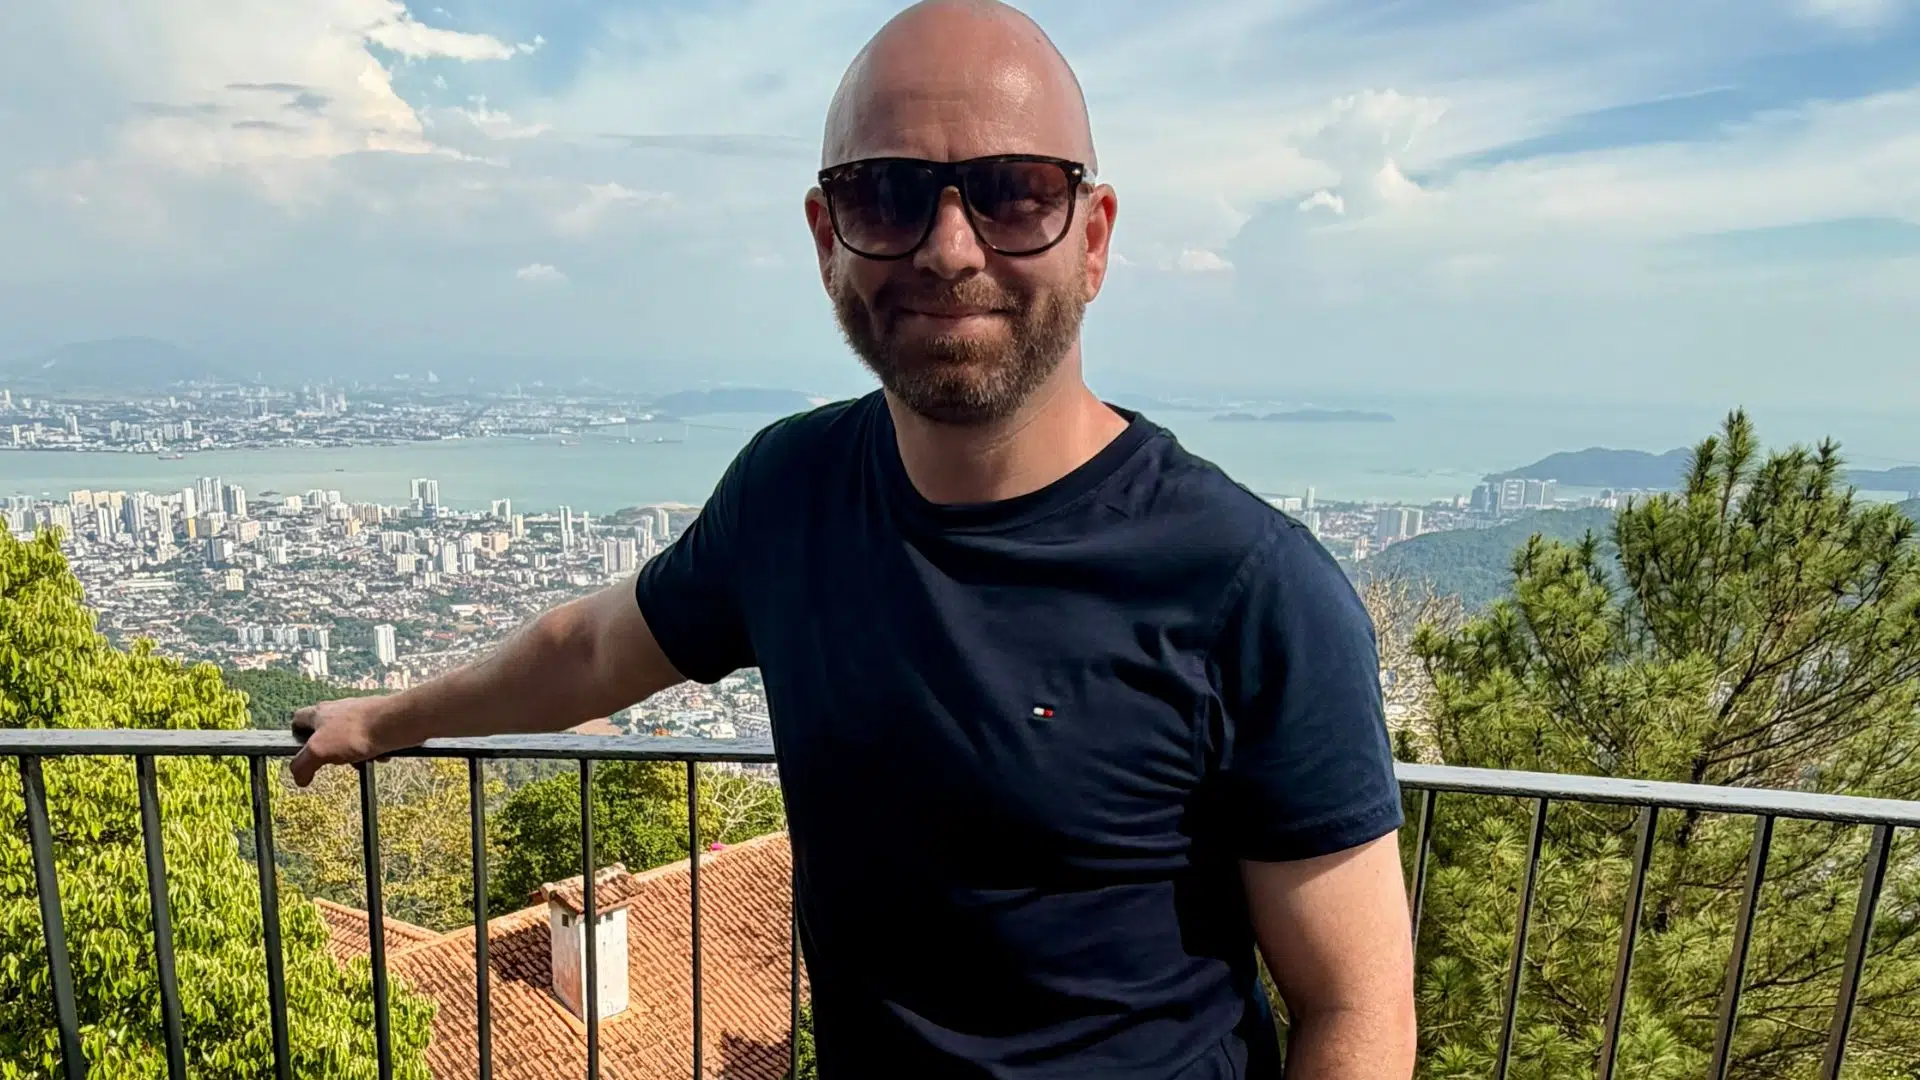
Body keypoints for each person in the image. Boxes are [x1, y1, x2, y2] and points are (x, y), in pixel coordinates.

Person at [291, 1, 1417, 1076]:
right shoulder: (791, 494)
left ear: (1094, 237)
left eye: (1015, 193)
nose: (951, 248)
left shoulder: (1249, 590)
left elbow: (1355, 1009)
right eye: (888, 194)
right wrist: (389, 719)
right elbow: (592, 650)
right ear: (828, 238)